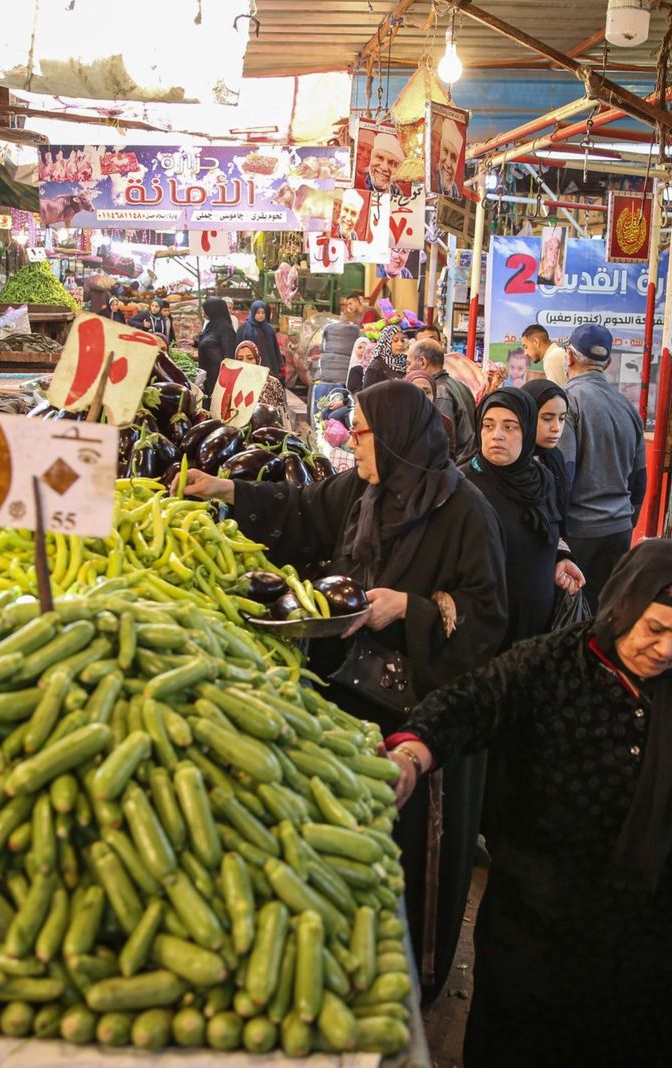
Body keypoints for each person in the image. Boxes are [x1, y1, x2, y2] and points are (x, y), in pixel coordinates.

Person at [182, 380, 508, 1001]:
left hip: (423, 718)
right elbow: (302, 509)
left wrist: (406, 607)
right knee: (351, 833)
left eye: (360, 432)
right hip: (353, 695)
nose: (352, 442)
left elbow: (486, 618)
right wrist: (224, 488)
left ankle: (409, 977)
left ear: (395, 437)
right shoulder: (366, 488)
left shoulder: (465, 512)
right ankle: (349, 959)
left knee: (407, 846)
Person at [384, 540, 672, 1066]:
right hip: (547, 934)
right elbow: (472, 702)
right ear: (622, 607)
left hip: (661, 945)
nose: (667, 651)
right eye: (655, 630)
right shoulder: (550, 665)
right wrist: (413, 753)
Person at [467, 387, 583, 644]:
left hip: (537, 624)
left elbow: (550, 530)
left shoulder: (543, 480)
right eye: (488, 425)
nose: (496, 435)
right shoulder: (464, 484)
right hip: (486, 629)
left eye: (510, 427)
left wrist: (561, 558)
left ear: (527, 432)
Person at [559, 324, 645, 612]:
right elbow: (640, 478)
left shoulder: (567, 401)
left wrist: (555, 532)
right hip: (618, 527)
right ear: (607, 363)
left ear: (568, 358)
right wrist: (628, 519)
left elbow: (564, 472)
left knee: (568, 615)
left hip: (578, 531)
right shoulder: (628, 408)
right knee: (604, 612)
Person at [409, 340, 477, 463]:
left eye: (409, 363)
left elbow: (440, 439)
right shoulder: (461, 386)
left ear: (423, 362)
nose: (408, 368)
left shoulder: (439, 393)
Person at [521, 378, 572, 523]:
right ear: (526, 415)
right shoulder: (508, 460)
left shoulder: (554, 457)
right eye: (547, 418)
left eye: (562, 419)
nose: (556, 427)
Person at [405, 369, 457, 459]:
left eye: (427, 392)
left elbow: (449, 457)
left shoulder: (444, 423)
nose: (422, 396)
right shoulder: (397, 421)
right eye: (416, 390)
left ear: (434, 395)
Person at [194, 297, 237, 390]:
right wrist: (194, 343)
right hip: (207, 374)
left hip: (217, 378)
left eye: (206, 310)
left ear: (214, 311)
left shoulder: (225, 329)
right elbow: (211, 343)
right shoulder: (211, 324)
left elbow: (229, 356)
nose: (204, 313)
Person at [234, 340, 288, 410]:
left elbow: (282, 413)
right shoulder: (233, 384)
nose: (245, 362)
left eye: (250, 358)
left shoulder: (273, 384)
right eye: (240, 359)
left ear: (258, 359)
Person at [237, 300, 283, 378]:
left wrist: (277, 364)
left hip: (267, 365)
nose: (261, 315)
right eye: (258, 313)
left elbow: (274, 347)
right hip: (250, 365)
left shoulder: (269, 329)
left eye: (263, 313)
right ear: (253, 313)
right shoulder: (244, 329)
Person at [318, 311, 362, 388]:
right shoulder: (354, 331)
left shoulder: (329, 328)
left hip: (327, 376)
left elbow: (322, 347)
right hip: (344, 378)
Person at [361, 324, 406, 389]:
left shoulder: (405, 362)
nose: (400, 344)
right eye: (395, 341)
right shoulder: (376, 367)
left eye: (402, 340)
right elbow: (368, 394)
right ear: (386, 342)